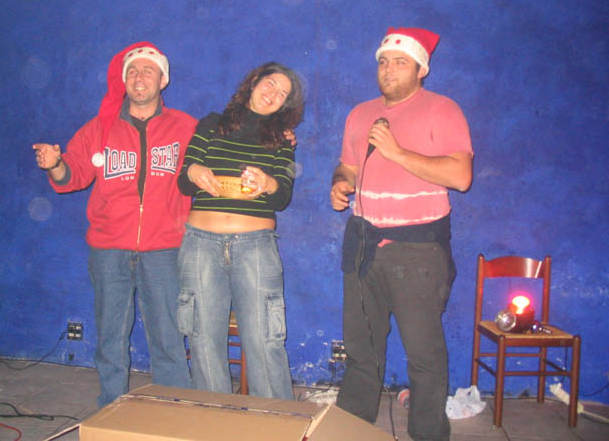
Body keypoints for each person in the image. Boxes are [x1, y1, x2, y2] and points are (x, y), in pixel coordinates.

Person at [32, 42, 197, 407]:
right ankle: (111, 410)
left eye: (148, 71)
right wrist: (55, 164)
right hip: (109, 249)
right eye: (133, 71)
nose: (140, 78)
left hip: (165, 249)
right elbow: (72, 174)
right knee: (110, 339)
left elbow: (220, 154)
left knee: (169, 338)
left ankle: (175, 412)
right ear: (124, 80)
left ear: (163, 80)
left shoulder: (185, 127)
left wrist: (275, 137)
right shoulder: (100, 127)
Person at [330, 27, 473, 440]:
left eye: (400, 62)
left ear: (421, 69)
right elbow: (348, 166)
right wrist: (340, 183)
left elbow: (461, 176)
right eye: (383, 61)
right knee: (361, 349)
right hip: (363, 243)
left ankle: (428, 434)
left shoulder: (442, 110)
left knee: (424, 354)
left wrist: (396, 152)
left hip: (418, 250)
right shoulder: (360, 113)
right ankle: (351, 429)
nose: (388, 69)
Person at [176, 61, 304, 400]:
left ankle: (277, 423)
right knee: (203, 339)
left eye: (282, 94)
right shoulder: (211, 124)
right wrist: (194, 172)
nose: (273, 94)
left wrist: (268, 183)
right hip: (200, 243)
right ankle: (213, 422)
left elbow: (283, 197)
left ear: (285, 105)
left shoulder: (282, 140)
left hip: (255, 245)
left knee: (265, 340)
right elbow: (184, 181)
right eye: (270, 84)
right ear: (254, 82)